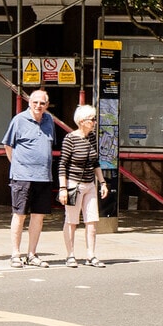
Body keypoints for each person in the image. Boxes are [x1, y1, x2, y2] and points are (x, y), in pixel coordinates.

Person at [3, 90, 56, 268]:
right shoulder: (18, 120)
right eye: (35, 102)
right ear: (29, 103)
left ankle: (32, 254)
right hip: (22, 177)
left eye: (42, 103)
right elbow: (8, 145)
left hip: (44, 176)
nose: (38, 106)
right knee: (19, 215)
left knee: (38, 217)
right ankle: (15, 254)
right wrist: (17, 166)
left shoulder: (49, 121)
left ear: (46, 105)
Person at [58, 105, 109, 267]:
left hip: (90, 184)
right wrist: (63, 188)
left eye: (94, 119)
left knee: (92, 220)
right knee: (72, 221)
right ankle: (70, 254)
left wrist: (102, 182)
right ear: (81, 121)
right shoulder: (70, 139)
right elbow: (62, 164)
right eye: (92, 119)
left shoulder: (92, 137)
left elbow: (95, 162)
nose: (94, 122)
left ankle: (91, 255)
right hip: (74, 184)